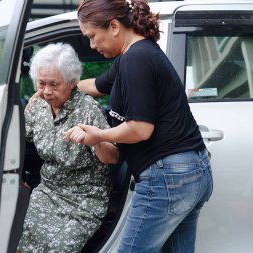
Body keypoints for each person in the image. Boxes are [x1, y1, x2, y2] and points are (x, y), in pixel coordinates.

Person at [64, 0, 214, 252]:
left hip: (169, 176)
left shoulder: (137, 59)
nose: (92, 45)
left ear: (113, 26)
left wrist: (98, 135)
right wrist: (56, 86)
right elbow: (97, 86)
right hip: (191, 172)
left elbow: (141, 129)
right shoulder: (133, 57)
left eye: (92, 36)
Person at [17, 42, 119, 253]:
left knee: (59, 248)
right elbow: (16, 140)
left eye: (54, 84)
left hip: (85, 197)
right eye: (41, 83)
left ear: (72, 82)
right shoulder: (38, 105)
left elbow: (113, 157)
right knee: (18, 241)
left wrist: (95, 139)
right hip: (48, 191)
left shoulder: (87, 108)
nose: (46, 91)